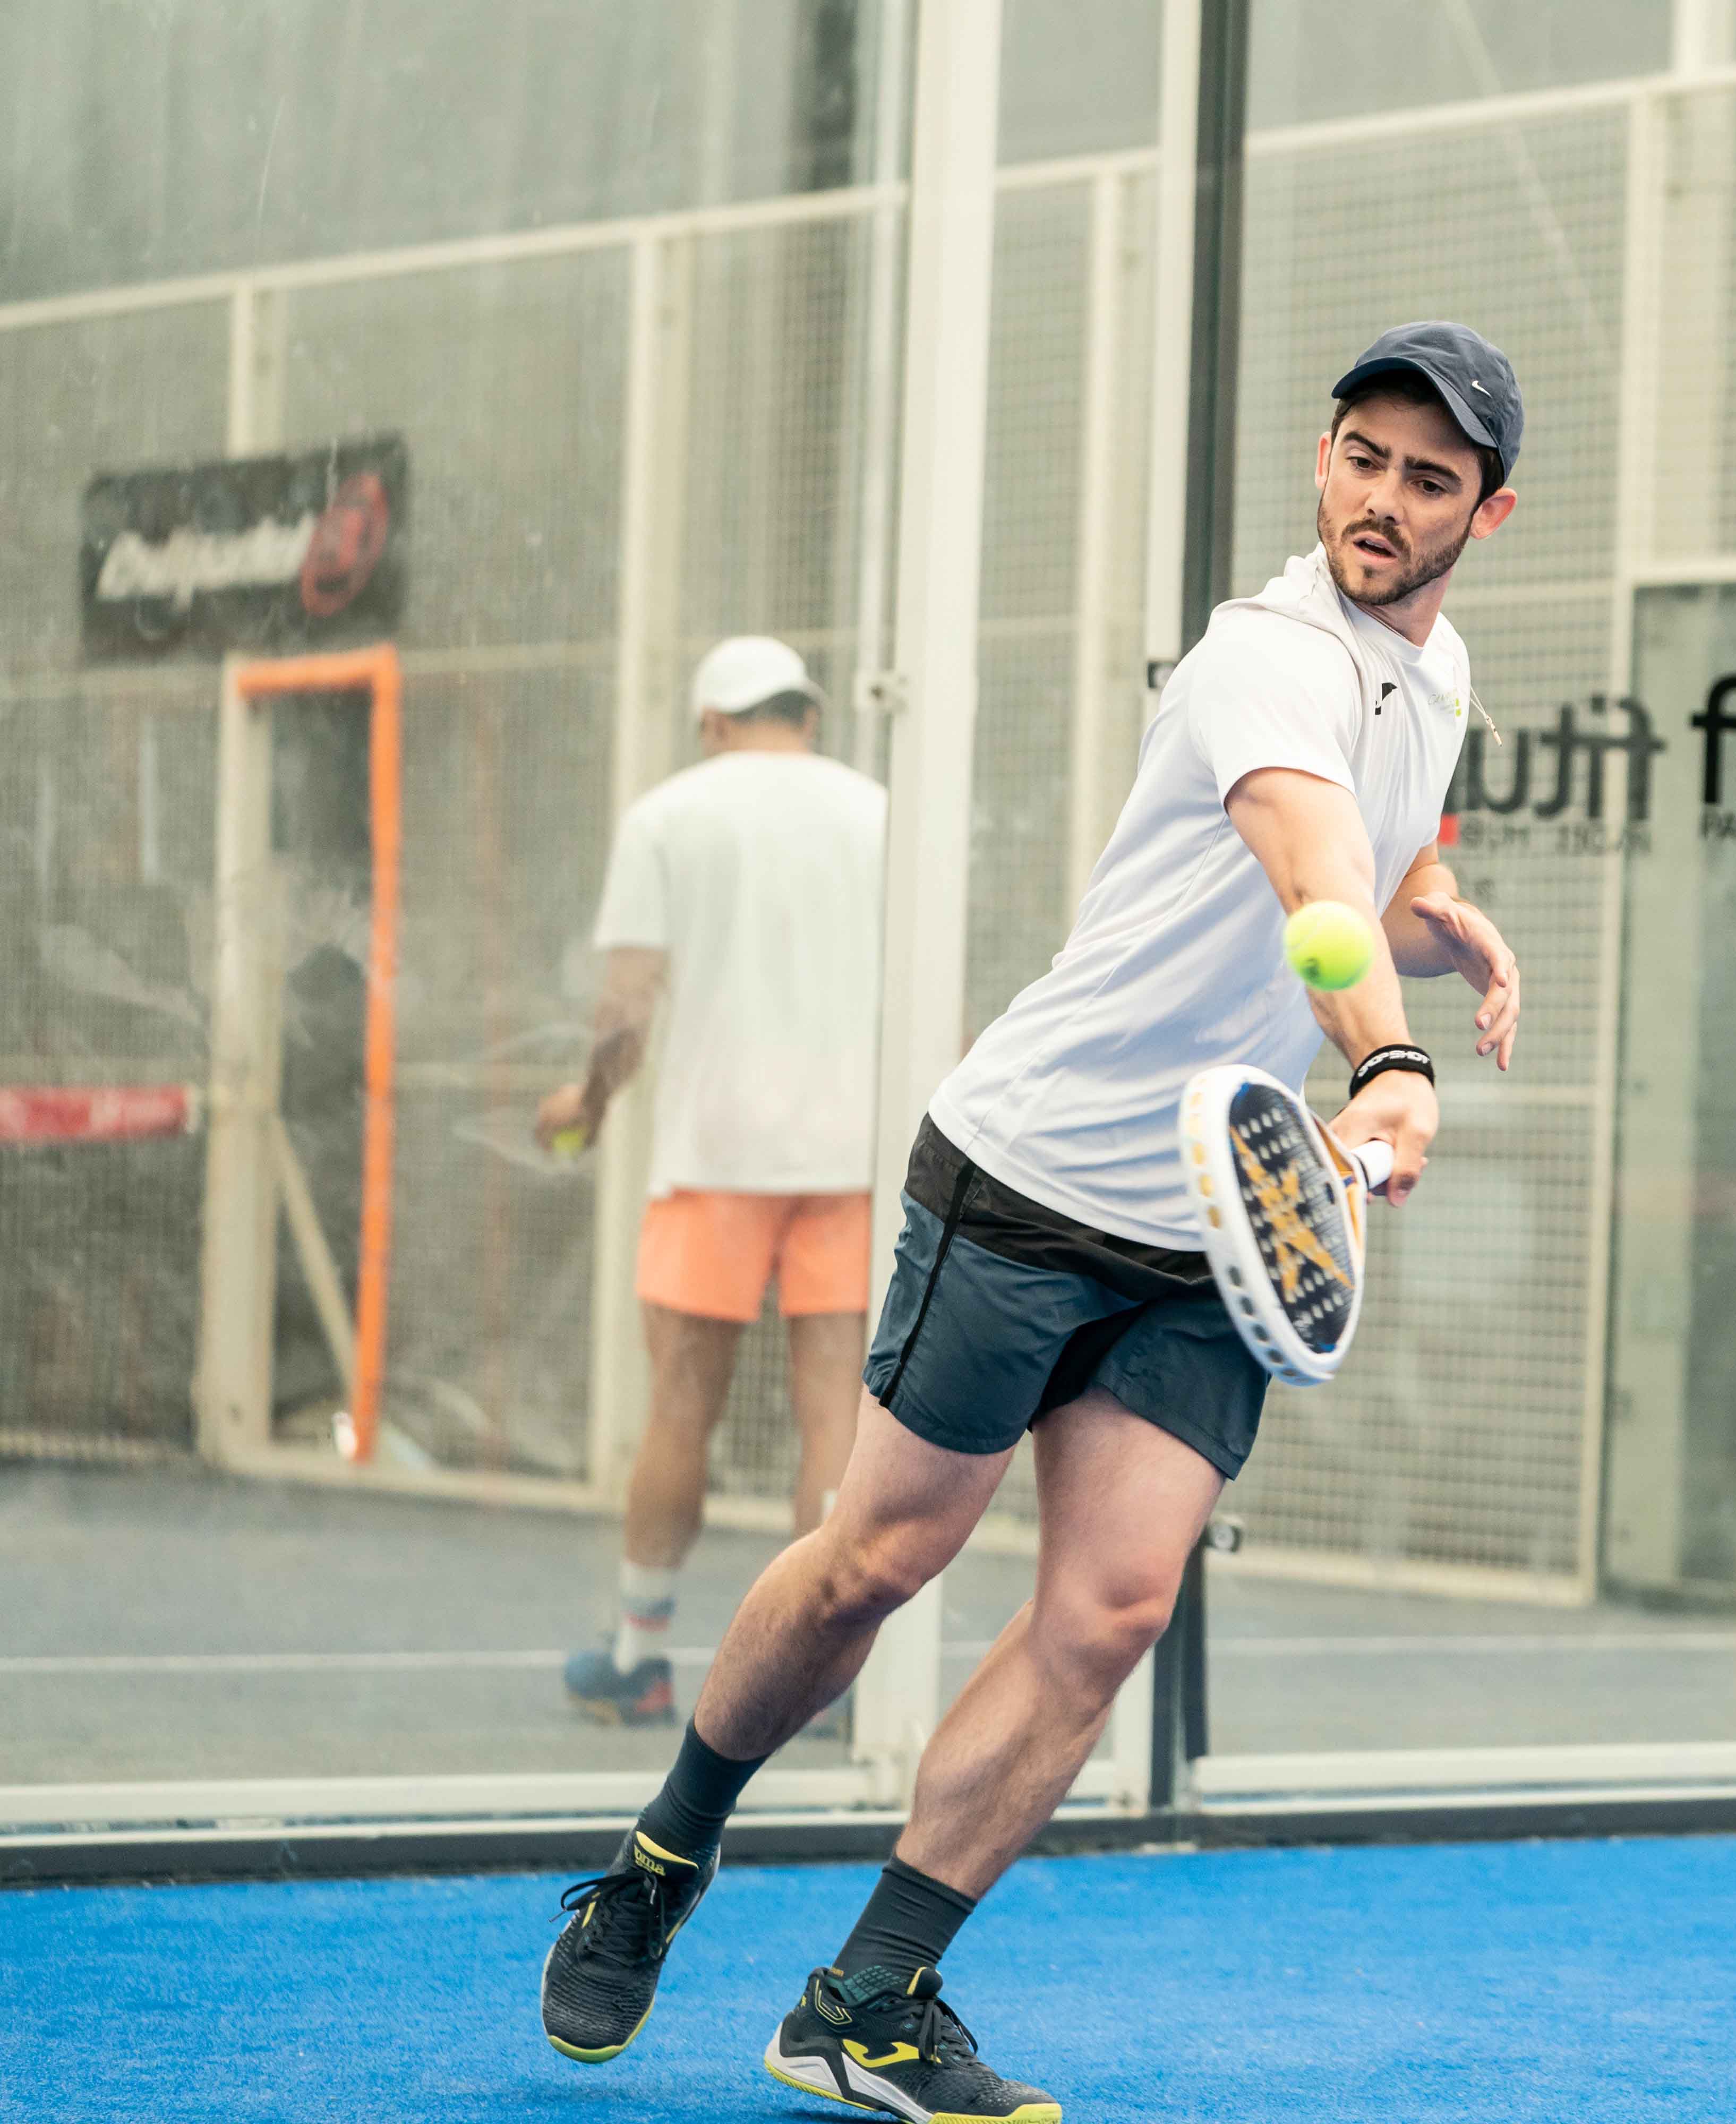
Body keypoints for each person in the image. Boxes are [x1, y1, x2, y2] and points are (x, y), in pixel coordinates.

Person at [538, 322, 1530, 2120]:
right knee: (877, 1559)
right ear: (1324, 459)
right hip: (1038, 1172)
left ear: (1489, 511)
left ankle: (868, 2001)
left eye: (1431, 478)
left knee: (1112, 1609)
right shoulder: (1261, 654)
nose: (1386, 499)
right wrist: (1392, 1054)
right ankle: (663, 1858)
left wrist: (1437, 909)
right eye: (1364, 458)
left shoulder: (1434, 670)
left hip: (1217, 1217)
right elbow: (1310, 873)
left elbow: (1372, 859)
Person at [540, 636, 888, 1729]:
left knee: (681, 1405)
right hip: (853, 1153)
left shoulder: (668, 817)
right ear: (810, 716)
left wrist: (588, 1103)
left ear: (711, 723)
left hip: (714, 1154)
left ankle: (641, 1655)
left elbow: (626, 1006)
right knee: (835, 1412)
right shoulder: (881, 814)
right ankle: (828, 1681)